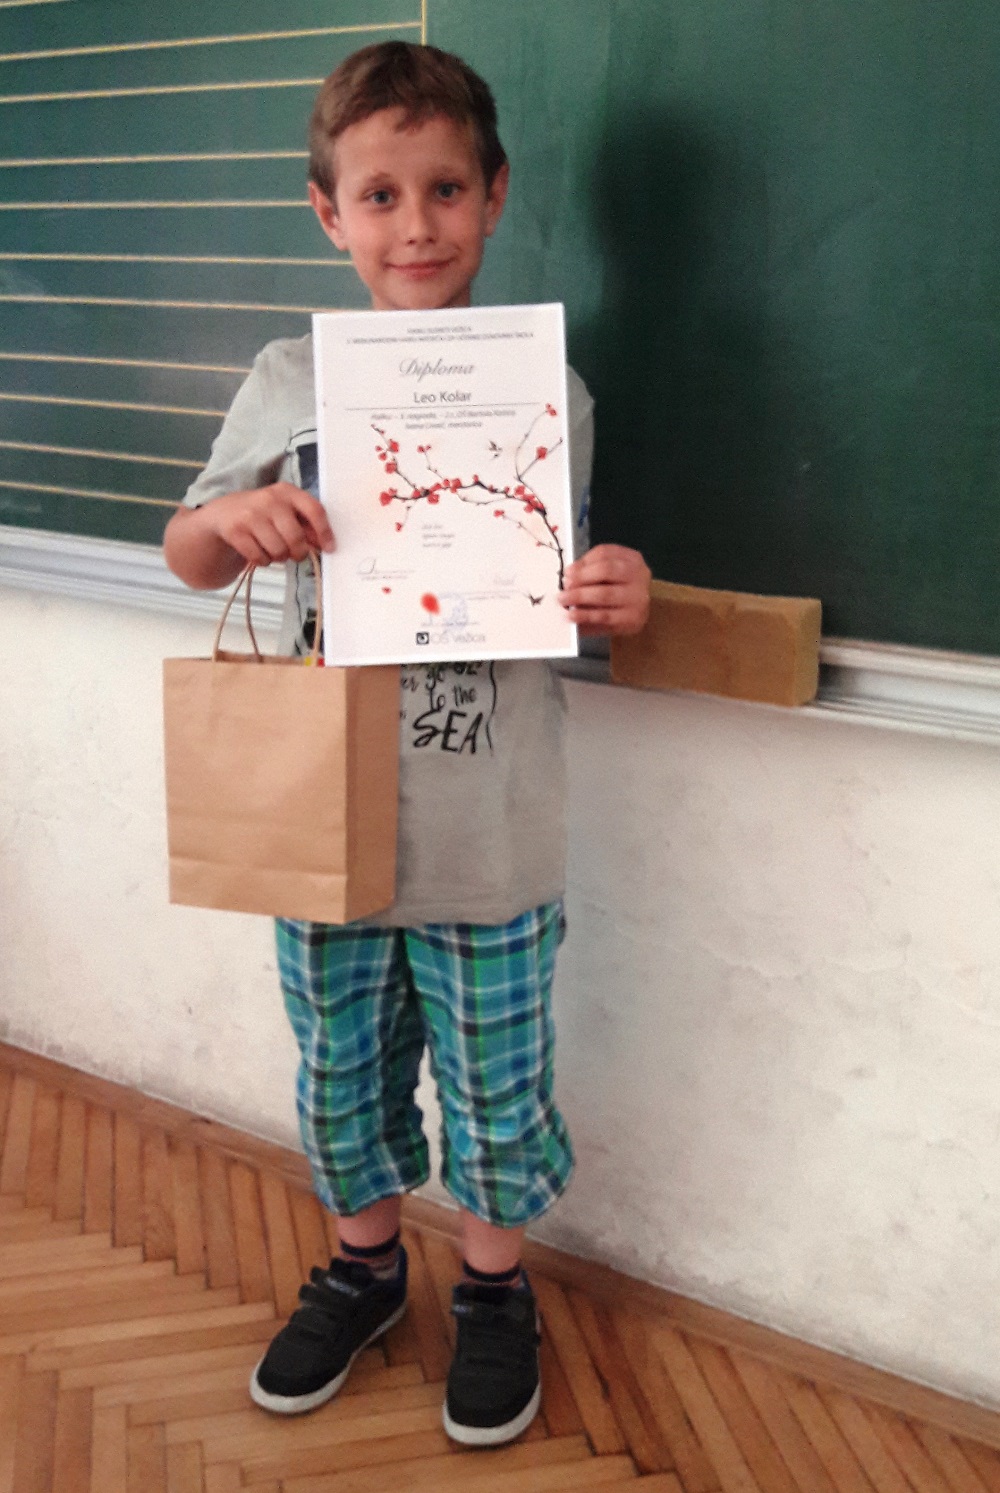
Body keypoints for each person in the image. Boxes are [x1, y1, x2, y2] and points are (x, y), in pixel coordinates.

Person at [163, 40, 651, 1448]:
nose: (417, 224)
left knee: (498, 1078)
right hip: (322, 815)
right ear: (331, 215)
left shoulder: (547, 388)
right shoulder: (286, 377)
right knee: (340, 1068)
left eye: (445, 189)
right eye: (380, 195)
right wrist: (232, 522)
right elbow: (189, 549)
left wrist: (624, 588)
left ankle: (493, 1289)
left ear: (494, 195)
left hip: (490, 823)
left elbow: (566, 581)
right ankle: (365, 1267)